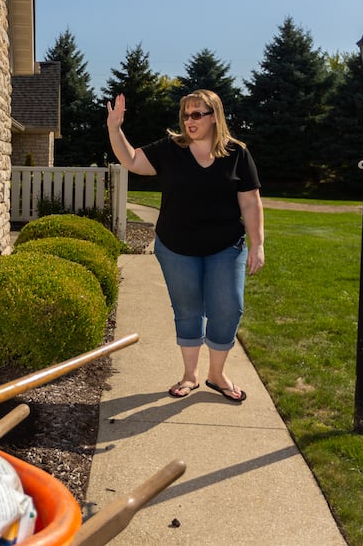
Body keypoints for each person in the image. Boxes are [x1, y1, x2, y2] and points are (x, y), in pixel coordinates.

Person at [106, 89, 265, 402]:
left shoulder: (237, 154)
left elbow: (250, 203)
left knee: (228, 307)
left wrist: (257, 244)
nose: (189, 121)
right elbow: (134, 161)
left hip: (225, 246)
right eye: (186, 115)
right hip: (177, 246)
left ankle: (217, 375)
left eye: (197, 114)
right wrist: (115, 128)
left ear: (214, 117)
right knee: (188, 310)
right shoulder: (171, 148)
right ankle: (190, 375)